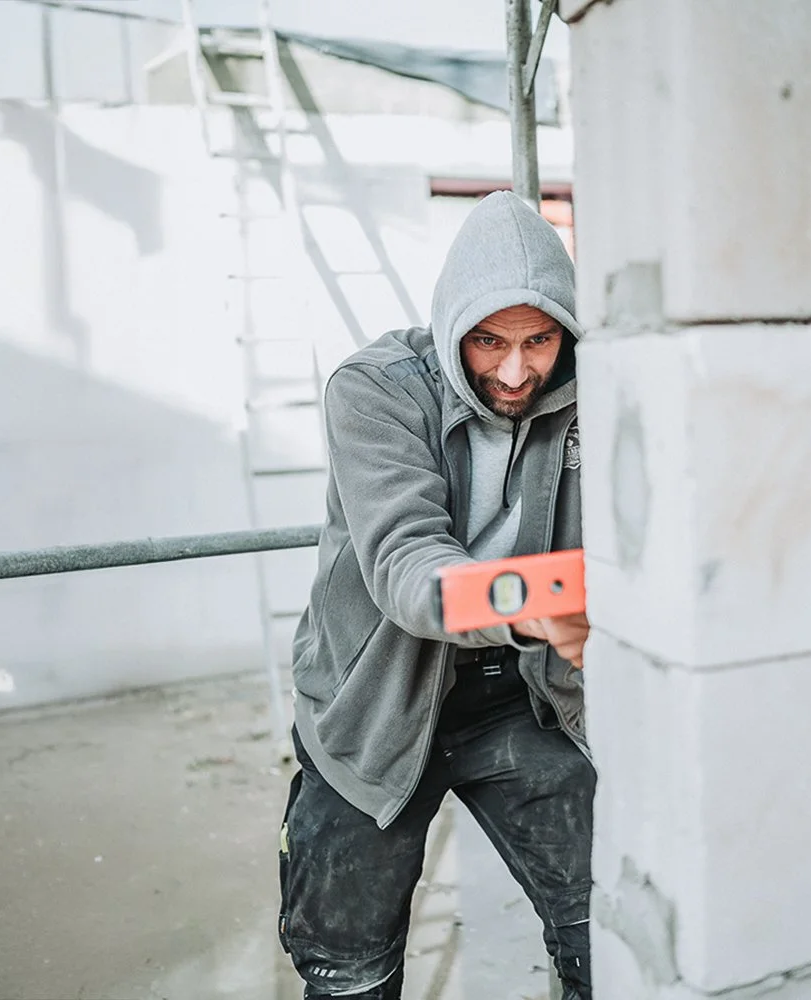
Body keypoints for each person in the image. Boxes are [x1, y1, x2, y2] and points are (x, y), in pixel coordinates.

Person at [277, 191, 595, 1000]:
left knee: (610, 925)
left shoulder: (594, 394)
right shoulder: (375, 389)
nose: (517, 370)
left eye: (540, 340)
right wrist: (529, 599)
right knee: (348, 972)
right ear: (453, 324)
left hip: (523, 691)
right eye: (489, 341)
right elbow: (405, 561)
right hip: (375, 704)